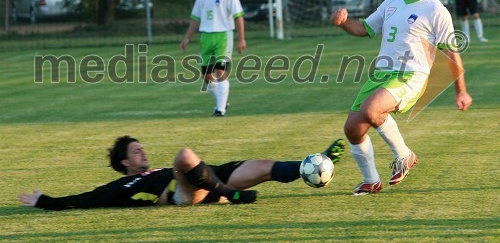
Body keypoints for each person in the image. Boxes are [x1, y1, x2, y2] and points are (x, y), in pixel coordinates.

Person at [330, 0, 472, 196]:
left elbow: (452, 52)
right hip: (382, 74)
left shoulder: (436, 10)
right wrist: (343, 22)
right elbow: (364, 28)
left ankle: (404, 155)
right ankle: (371, 181)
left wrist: (461, 91)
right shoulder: (391, 2)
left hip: (411, 75)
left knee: (372, 109)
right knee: (353, 129)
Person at [19, 136, 345, 210]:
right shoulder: (127, 182)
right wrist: (46, 201)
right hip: (182, 194)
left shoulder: (152, 169)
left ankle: (313, 165)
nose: (142, 152)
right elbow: (91, 199)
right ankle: (228, 195)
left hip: (210, 177)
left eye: (142, 148)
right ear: (125, 163)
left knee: (264, 167)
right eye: (136, 151)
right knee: (184, 156)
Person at [181, 0, 246, 117]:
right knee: (207, 76)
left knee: (221, 72)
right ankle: (222, 102)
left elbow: (239, 17)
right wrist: (187, 38)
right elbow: (195, 19)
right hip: (206, 37)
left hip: (223, 35)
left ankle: (220, 109)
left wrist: (241, 39)